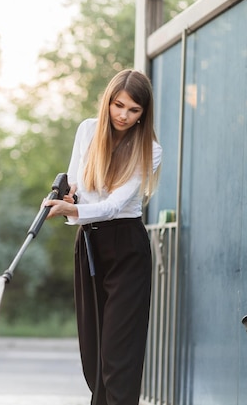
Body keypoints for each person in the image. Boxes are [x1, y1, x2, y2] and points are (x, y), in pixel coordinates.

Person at [44, 69, 162, 405]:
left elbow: (112, 207)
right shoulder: (87, 131)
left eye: (134, 109)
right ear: (108, 102)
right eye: (119, 105)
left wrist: (73, 211)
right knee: (94, 356)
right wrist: (66, 201)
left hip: (126, 248)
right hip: (89, 245)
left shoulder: (150, 149)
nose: (124, 115)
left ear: (144, 113)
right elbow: (78, 190)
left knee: (117, 356)